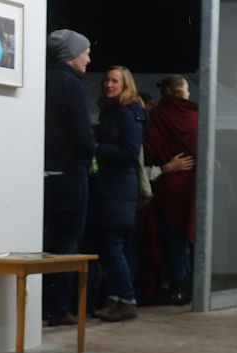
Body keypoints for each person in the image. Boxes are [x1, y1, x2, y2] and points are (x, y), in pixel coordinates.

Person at [43, 29, 95, 327]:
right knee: (66, 245)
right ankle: (58, 309)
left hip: (45, 175)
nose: (88, 58)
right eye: (85, 52)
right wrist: (91, 151)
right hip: (70, 176)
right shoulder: (73, 85)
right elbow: (82, 134)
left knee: (45, 242)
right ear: (72, 55)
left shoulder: (43, 80)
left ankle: (41, 308)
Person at [91, 66, 148, 322]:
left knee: (113, 245)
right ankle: (116, 298)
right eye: (107, 80)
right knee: (114, 246)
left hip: (118, 188)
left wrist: (97, 147)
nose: (109, 85)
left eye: (115, 81)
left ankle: (126, 299)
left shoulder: (125, 114)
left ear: (126, 85)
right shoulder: (117, 112)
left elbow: (129, 152)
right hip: (116, 187)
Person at [144, 74, 198, 305]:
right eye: (187, 89)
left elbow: (149, 152)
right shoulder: (195, 116)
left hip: (168, 186)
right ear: (179, 91)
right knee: (191, 237)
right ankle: (191, 284)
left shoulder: (156, 117)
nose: (189, 93)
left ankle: (177, 284)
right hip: (193, 186)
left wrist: (165, 166)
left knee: (172, 237)